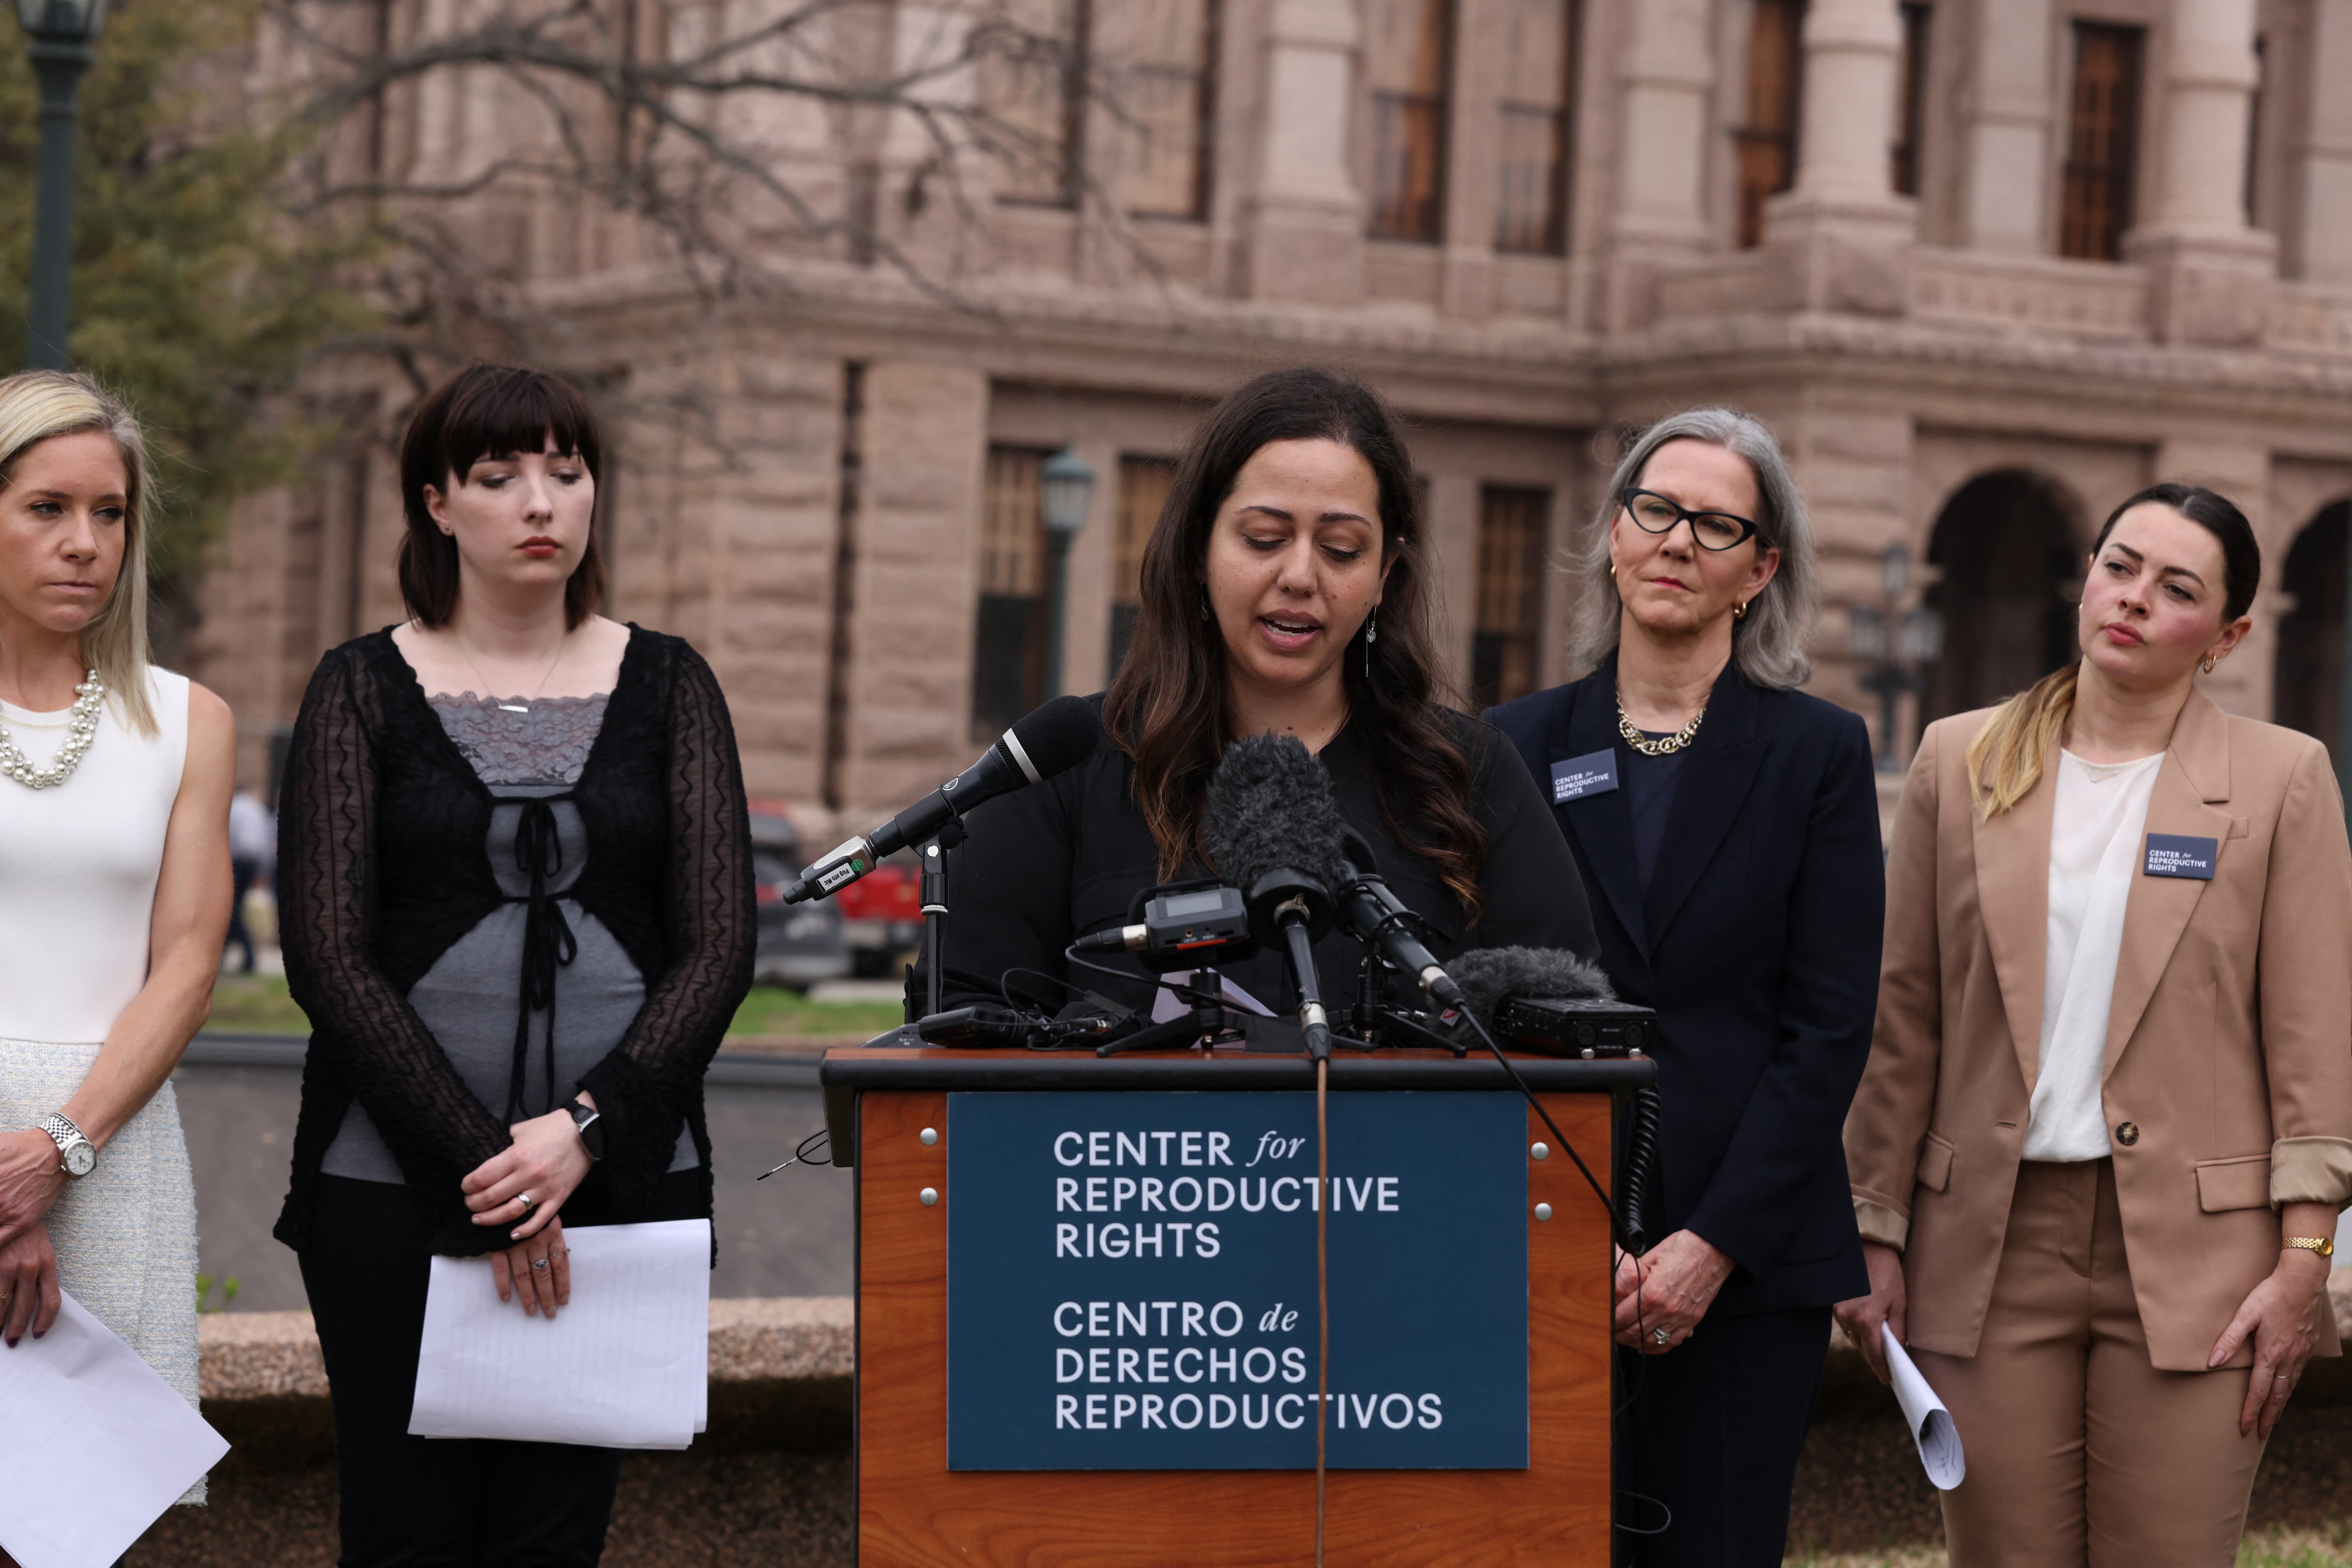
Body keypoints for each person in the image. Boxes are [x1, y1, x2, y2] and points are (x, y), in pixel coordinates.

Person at [274, 364, 755, 1565]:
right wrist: (494, 1167)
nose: (541, 501)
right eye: (499, 477)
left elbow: (718, 946)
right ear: (438, 503)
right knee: (401, 1534)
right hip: (387, 1181)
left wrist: (583, 1132)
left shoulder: (674, 682)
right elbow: (327, 957)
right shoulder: (358, 688)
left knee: (555, 1539)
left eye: (567, 471)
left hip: (623, 1186)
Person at [1836, 484, 2351, 1566]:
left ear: (2228, 634)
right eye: (2118, 567)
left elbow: (2313, 1037)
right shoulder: (1957, 759)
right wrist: (1871, 1222)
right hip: (1981, 1248)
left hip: (2199, 1263)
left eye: (2175, 590)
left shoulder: (2284, 777)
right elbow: (1904, 1017)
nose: (2130, 600)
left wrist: (2304, 1259)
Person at [1485, 407, 1884, 1565]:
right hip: (1544, 1242)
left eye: (1717, 525)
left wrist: (1710, 1244)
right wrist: (1565, 1228)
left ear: (1759, 571)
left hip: (1747, 1263)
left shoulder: (1816, 753)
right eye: (1655, 510)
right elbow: (1475, 1005)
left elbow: (1828, 1029)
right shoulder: (1505, 746)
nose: (1677, 542)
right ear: (1613, 532)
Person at [931, 366, 1598, 1029]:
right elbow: (964, 1031)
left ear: (1384, 575)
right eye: (1264, 539)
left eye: (1341, 549)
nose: (1300, 576)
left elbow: (1576, 1037)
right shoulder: (1067, 773)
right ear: (1199, 546)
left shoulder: (1471, 777)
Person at [0, 371, 235, 1510]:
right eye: (47, 508)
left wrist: (52, 1154)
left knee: (76, 1524)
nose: (85, 543)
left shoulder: (189, 720)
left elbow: (188, 963)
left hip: (110, 1147)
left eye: (110, 512)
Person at [224, 785, 275, 973]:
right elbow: (265, 841)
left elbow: (228, 838)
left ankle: (247, 956)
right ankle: (232, 955)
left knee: (231, 909)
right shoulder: (256, 807)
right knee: (234, 908)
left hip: (238, 861)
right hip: (254, 863)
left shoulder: (233, 808)